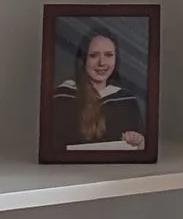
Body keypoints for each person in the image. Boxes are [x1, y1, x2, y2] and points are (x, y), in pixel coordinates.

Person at [57, 23, 146, 151]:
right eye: (93, 55)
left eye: (109, 55)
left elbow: (141, 149)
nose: (102, 63)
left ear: (116, 59)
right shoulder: (63, 97)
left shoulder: (126, 100)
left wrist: (139, 141)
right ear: (83, 58)